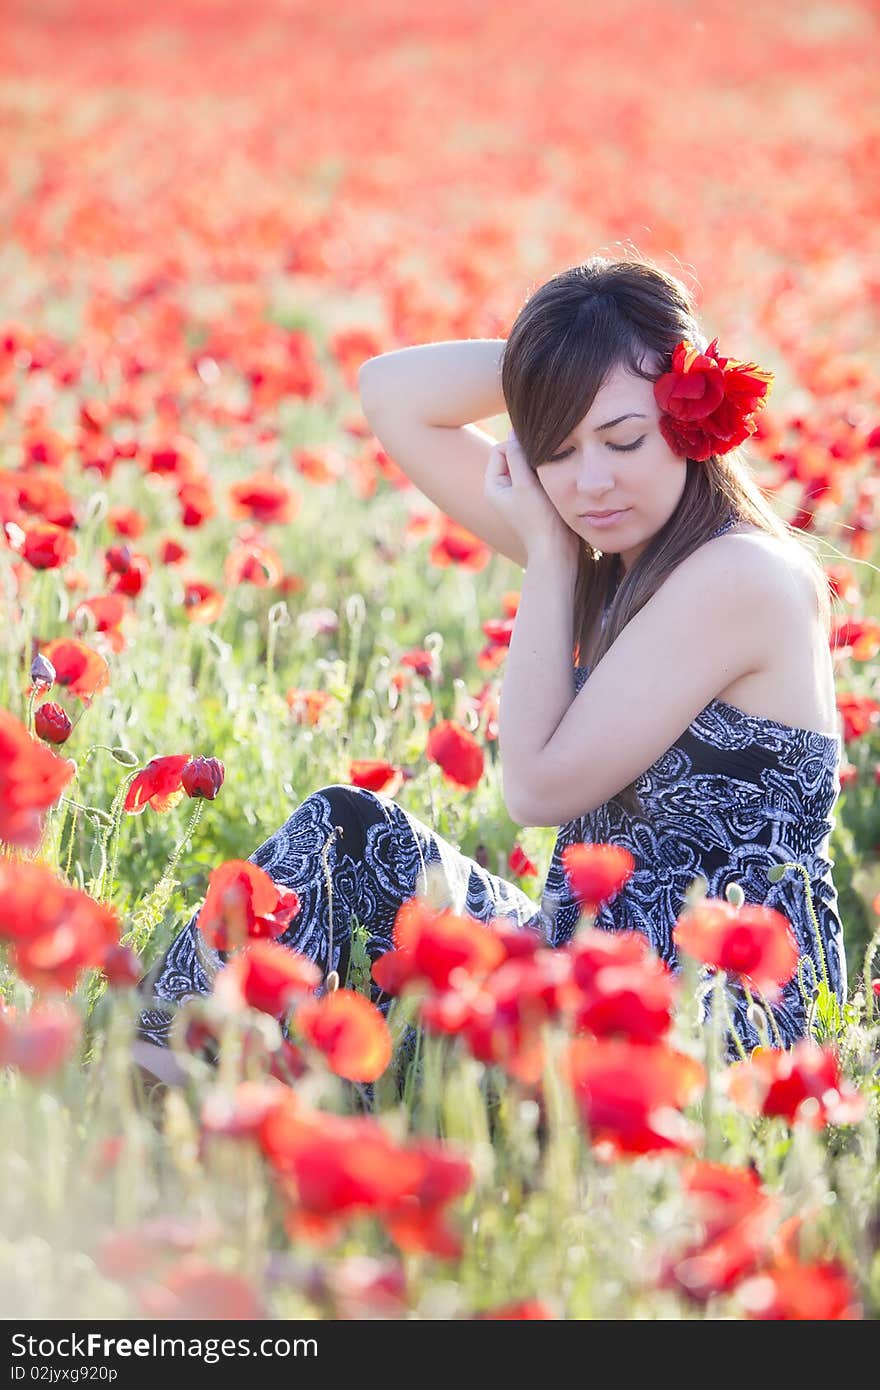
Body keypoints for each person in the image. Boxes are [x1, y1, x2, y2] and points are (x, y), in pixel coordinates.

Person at [133, 254, 846, 1081]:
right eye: (558, 448)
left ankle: (194, 1089)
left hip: (715, 1014)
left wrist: (549, 550)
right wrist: (563, 369)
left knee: (363, 862)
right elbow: (392, 395)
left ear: (692, 419)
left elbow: (536, 789)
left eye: (621, 438)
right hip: (588, 966)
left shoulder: (742, 575)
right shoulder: (621, 551)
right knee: (346, 835)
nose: (589, 482)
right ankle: (170, 1072)